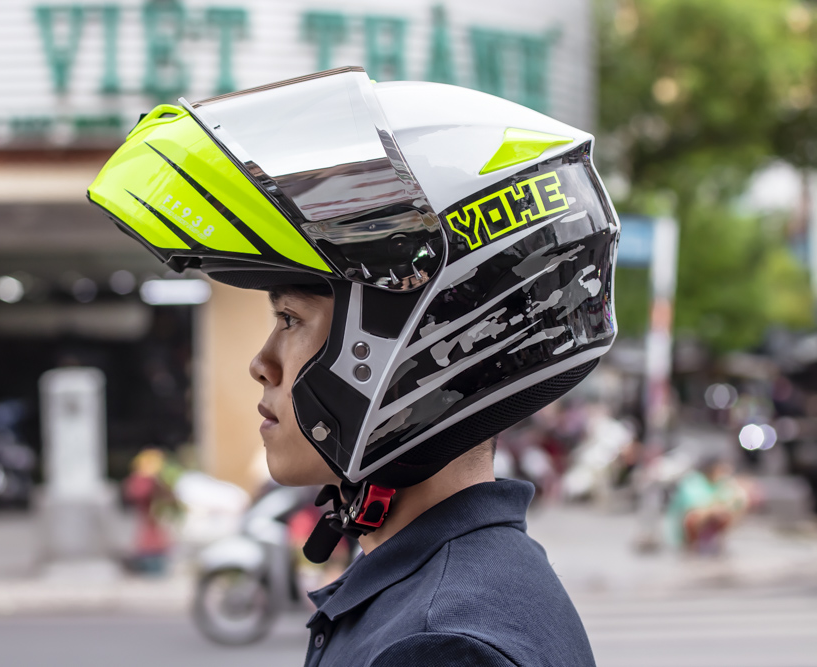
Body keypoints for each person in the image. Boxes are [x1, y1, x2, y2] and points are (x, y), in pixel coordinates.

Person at [89, 68, 619, 666]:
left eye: (290, 319)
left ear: (419, 335)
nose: (261, 364)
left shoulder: (440, 643)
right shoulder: (452, 588)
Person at [668, 456, 747, 555]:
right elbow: (694, 509)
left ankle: (713, 542)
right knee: (700, 516)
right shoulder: (693, 482)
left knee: (725, 514)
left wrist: (737, 494)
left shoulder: (721, 483)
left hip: (705, 522)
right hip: (682, 529)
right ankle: (692, 544)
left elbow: (737, 503)